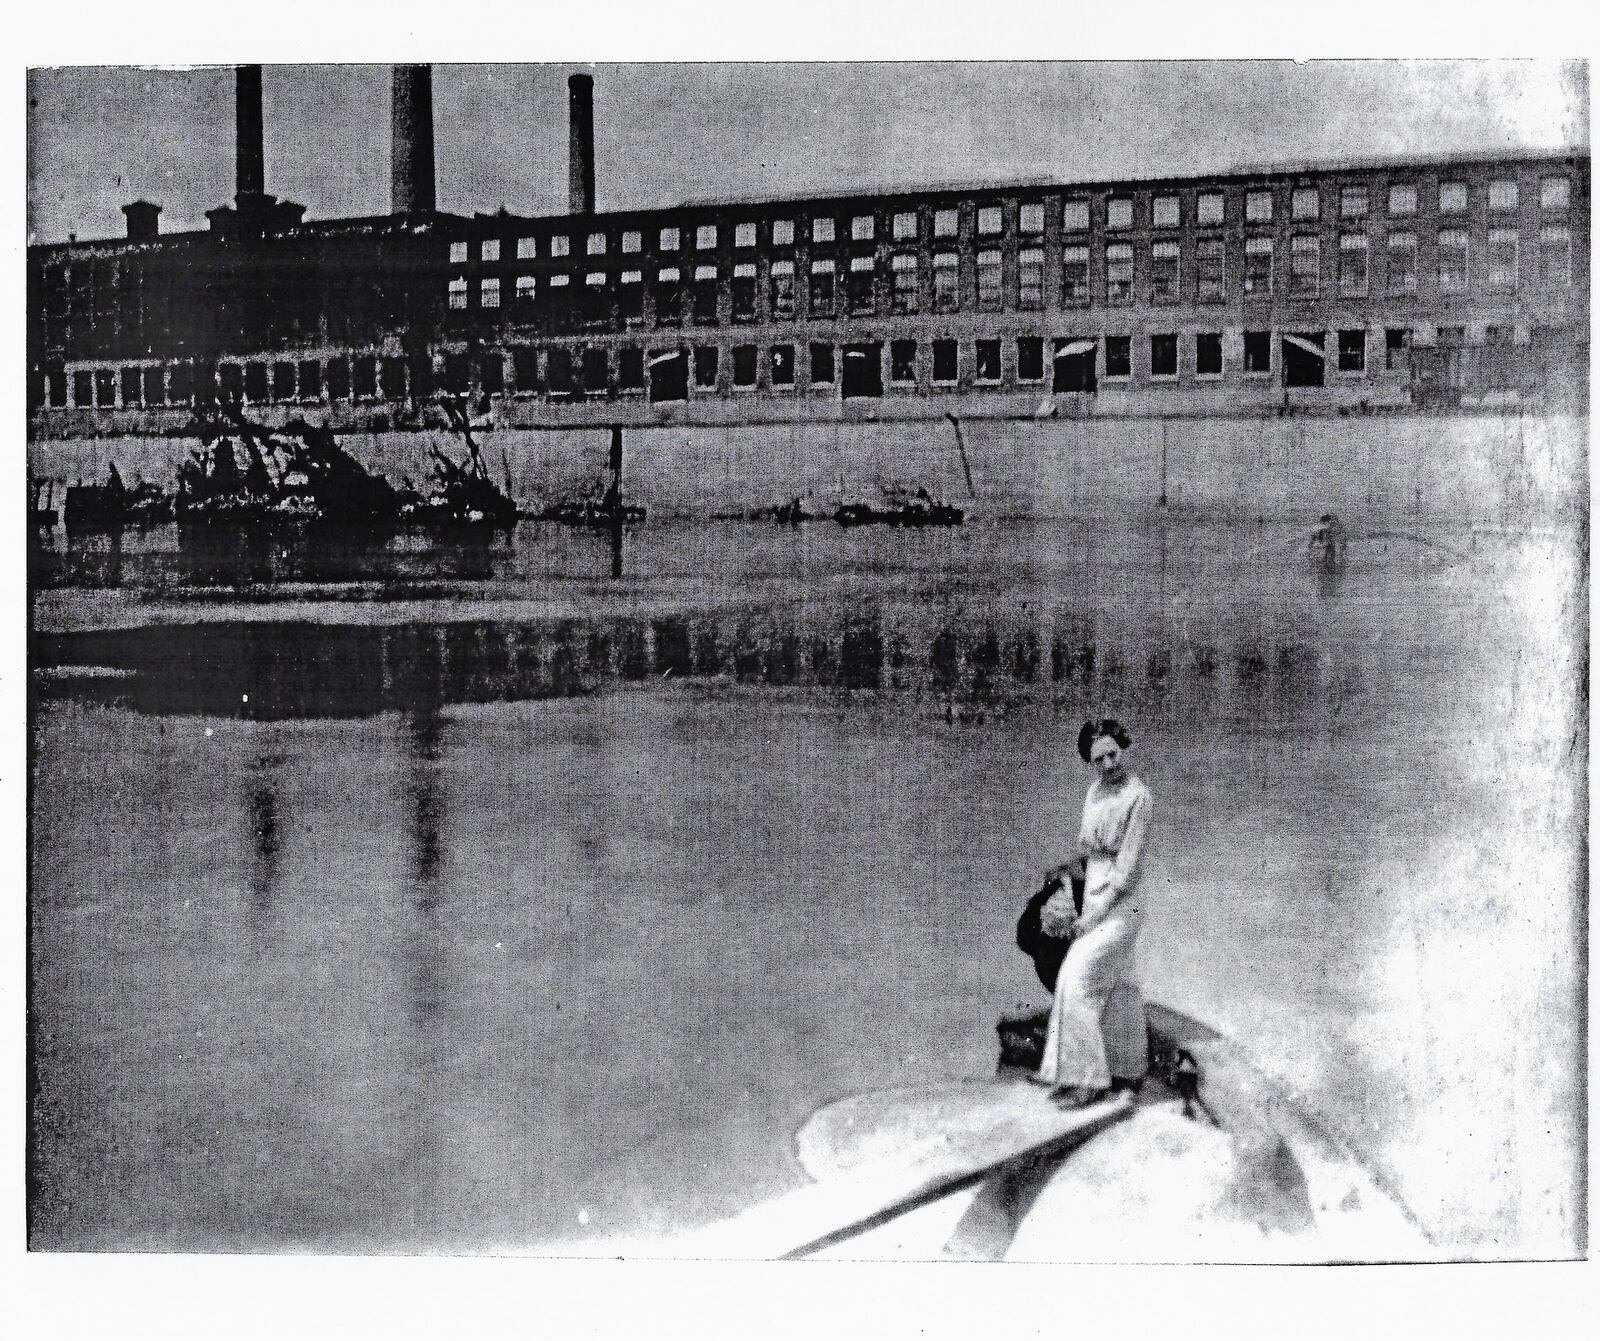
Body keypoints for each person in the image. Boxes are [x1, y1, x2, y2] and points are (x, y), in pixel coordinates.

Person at [1034, 718, 1153, 1108]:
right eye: (1097, 758)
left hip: (1122, 901)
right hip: (1096, 894)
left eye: (1112, 755)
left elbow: (1126, 869)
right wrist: (1066, 871)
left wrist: (1092, 916)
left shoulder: (1139, 798)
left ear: (1124, 749)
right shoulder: (1094, 792)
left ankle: (1089, 1081)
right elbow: (1090, 853)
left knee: (1078, 979)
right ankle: (1124, 1072)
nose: (1106, 765)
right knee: (1118, 985)